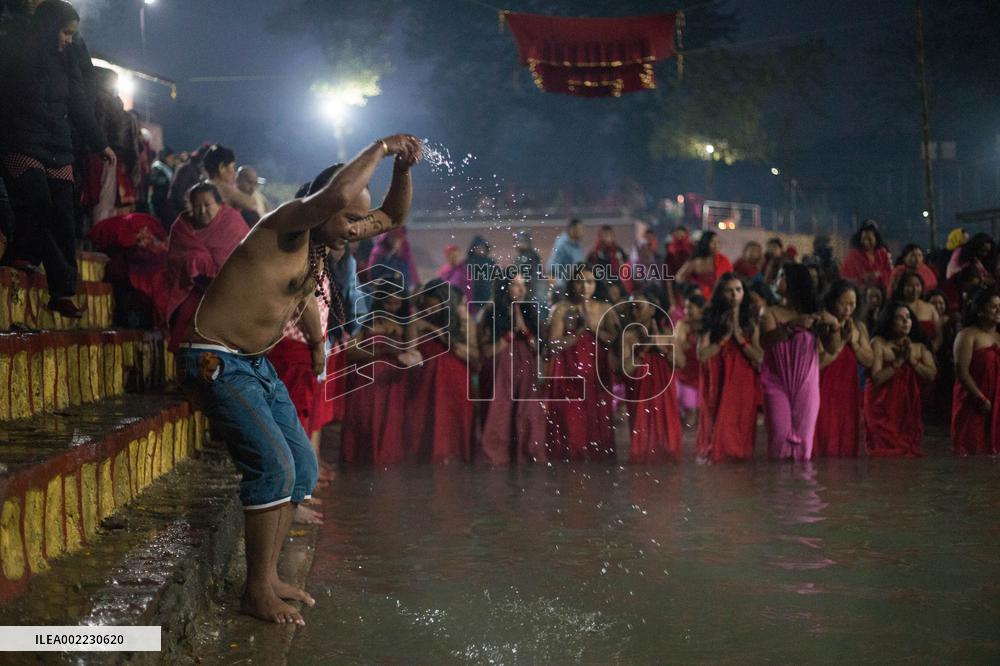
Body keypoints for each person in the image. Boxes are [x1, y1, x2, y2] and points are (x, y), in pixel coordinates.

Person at [173, 133, 422, 625]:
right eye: (350, 216)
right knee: (274, 468)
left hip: (257, 363)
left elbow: (393, 217)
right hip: (215, 358)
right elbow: (333, 196)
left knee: (302, 471)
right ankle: (256, 589)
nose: (356, 228)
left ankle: (269, 577)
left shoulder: (324, 244)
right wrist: (383, 146)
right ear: (326, 205)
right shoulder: (287, 224)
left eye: (358, 218)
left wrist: (403, 170)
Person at [0, 0, 116, 318]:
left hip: (57, 147)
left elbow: (78, 104)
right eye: (65, 32)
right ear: (50, 27)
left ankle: (62, 291)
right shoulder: (14, 49)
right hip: (20, 142)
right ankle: (22, 255)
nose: (69, 39)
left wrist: (100, 143)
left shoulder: (68, 62)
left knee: (64, 218)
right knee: (38, 201)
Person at [759, 264, 837, 461]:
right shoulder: (769, 312)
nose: (777, 281)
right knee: (779, 437)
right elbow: (765, 341)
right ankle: (778, 487)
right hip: (776, 382)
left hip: (806, 383)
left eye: (781, 276)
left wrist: (834, 325)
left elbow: (832, 348)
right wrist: (792, 325)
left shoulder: (815, 314)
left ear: (795, 282)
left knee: (804, 442)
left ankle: (802, 488)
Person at [545, 265, 616, 460]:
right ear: (572, 284)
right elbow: (552, 345)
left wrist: (593, 330)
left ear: (596, 284)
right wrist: (577, 334)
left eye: (590, 282)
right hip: (568, 373)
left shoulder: (605, 308)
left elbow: (615, 340)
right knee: (570, 422)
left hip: (596, 374)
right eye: (579, 281)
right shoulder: (561, 309)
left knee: (596, 420)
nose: (584, 286)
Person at [478, 274, 547, 464]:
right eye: (515, 285)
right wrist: (509, 333)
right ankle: (496, 458)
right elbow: (486, 350)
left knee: (528, 412)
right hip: (501, 369)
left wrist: (524, 329)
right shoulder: (491, 312)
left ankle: (526, 455)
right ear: (504, 288)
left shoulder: (529, 311)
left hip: (525, 368)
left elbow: (539, 347)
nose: (521, 289)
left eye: (523, 285)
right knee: (500, 411)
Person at [407, 278, 478, 463]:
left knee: (453, 426)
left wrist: (440, 334)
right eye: (427, 307)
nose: (430, 311)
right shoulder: (417, 321)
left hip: (455, 382)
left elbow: (476, 356)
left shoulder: (463, 320)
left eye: (435, 307)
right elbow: (411, 351)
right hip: (425, 384)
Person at [696, 274, 763, 462]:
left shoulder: (750, 321)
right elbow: (701, 355)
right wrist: (724, 338)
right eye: (729, 290)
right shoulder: (710, 319)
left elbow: (760, 357)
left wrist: (741, 339)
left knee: (740, 425)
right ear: (720, 294)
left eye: (738, 290)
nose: (734, 295)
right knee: (717, 425)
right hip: (717, 380)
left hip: (743, 382)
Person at [864, 302, 937, 457]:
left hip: (907, 407)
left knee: (907, 455)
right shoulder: (878, 343)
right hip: (880, 406)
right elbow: (876, 379)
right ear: (890, 321)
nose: (906, 321)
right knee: (882, 452)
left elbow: (931, 375)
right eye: (900, 318)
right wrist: (897, 363)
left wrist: (911, 360)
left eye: (908, 317)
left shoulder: (920, 347)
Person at [619, 287, 681, 463]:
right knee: (641, 452)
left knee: (669, 449)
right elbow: (625, 370)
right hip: (639, 398)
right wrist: (645, 347)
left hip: (665, 397)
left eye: (638, 307)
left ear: (653, 309)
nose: (633, 311)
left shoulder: (668, 335)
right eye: (631, 307)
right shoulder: (628, 336)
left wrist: (662, 348)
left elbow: (681, 363)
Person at [813, 280, 874, 457]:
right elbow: (819, 363)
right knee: (823, 433)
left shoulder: (859, 327)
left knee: (846, 439)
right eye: (843, 303)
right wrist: (841, 343)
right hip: (823, 388)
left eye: (852, 303)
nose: (848, 309)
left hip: (848, 390)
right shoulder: (821, 325)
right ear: (832, 301)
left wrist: (853, 343)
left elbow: (869, 361)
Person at [951, 289, 1000, 455]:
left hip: (997, 400)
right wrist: (981, 399)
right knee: (971, 449)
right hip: (972, 401)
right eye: (993, 307)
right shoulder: (967, 335)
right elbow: (962, 372)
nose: (998, 311)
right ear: (980, 310)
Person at [202, 144, 261, 223]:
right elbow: (252, 205)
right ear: (222, 167)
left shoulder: (205, 184)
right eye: (232, 167)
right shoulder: (221, 187)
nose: (234, 172)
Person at [671, 290, 705, 428]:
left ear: (701, 309)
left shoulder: (708, 326)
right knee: (690, 419)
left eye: (690, 307)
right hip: (686, 377)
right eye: (685, 307)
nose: (686, 311)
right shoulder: (682, 325)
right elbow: (677, 347)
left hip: (704, 377)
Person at [890, 269, 941, 351]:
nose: (914, 289)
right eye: (910, 285)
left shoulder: (930, 307)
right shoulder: (895, 308)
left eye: (917, 285)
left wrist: (931, 349)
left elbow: (939, 335)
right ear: (902, 287)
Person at [675, 231, 733, 300]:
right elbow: (679, 277)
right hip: (701, 300)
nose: (716, 245)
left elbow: (730, 279)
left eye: (718, 242)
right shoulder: (696, 262)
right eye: (713, 242)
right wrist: (693, 289)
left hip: (720, 298)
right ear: (705, 243)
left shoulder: (724, 260)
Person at [840, 220, 892, 290]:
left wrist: (878, 276)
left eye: (869, 239)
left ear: (876, 238)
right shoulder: (852, 255)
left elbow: (890, 274)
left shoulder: (883, 253)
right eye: (864, 238)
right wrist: (863, 279)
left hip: (880, 294)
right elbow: (845, 278)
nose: (866, 242)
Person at [367, 227, 420, 292]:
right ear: (388, 237)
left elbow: (410, 274)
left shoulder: (404, 253)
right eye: (393, 238)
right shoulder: (379, 252)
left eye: (399, 238)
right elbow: (375, 276)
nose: (396, 241)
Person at [545, 218, 585, 300]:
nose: (582, 232)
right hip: (564, 289)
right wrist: (561, 285)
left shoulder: (576, 244)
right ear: (572, 229)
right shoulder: (562, 244)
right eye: (580, 229)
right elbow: (552, 269)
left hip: (574, 286)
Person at [166, 143, 208, 221]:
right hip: (178, 215)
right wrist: (191, 211)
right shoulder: (186, 169)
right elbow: (178, 194)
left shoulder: (195, 169)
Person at [588, 224, 629, 293]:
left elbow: (627, 265)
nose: (608, 237)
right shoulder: (595, 253)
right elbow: (590, 269)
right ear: (600, 236)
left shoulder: (618, 251)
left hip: (619, 285)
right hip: (601, 287)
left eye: (610, 235)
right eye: (605, 235)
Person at [465, 235, 496, 310]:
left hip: (487, 296)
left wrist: (492, 298)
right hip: (471, 296)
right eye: (478, 247)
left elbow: (495, 281)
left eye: (482, 247)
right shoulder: (467, 263)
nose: (481, 249)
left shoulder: (490, 262)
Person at [148, 146, 178, 223]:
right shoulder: (157, 168)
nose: (172, 160)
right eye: (171, 158)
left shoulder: (167, 169)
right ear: (165, 158)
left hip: (166, 204)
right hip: (160, 203)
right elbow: (156, 181)